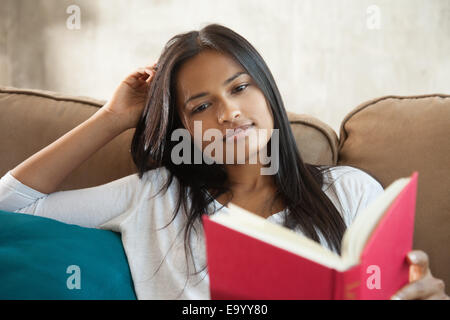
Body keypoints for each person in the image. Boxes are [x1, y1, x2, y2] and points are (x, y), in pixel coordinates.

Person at [0, 24, 447, 300]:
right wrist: (112, 118)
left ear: (267, 91)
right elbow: (11, 209)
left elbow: (388, 289)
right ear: (184, 131)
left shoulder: (349, 189)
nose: (229, 113)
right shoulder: (155, 195)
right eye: (200, 107)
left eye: (239, 88)